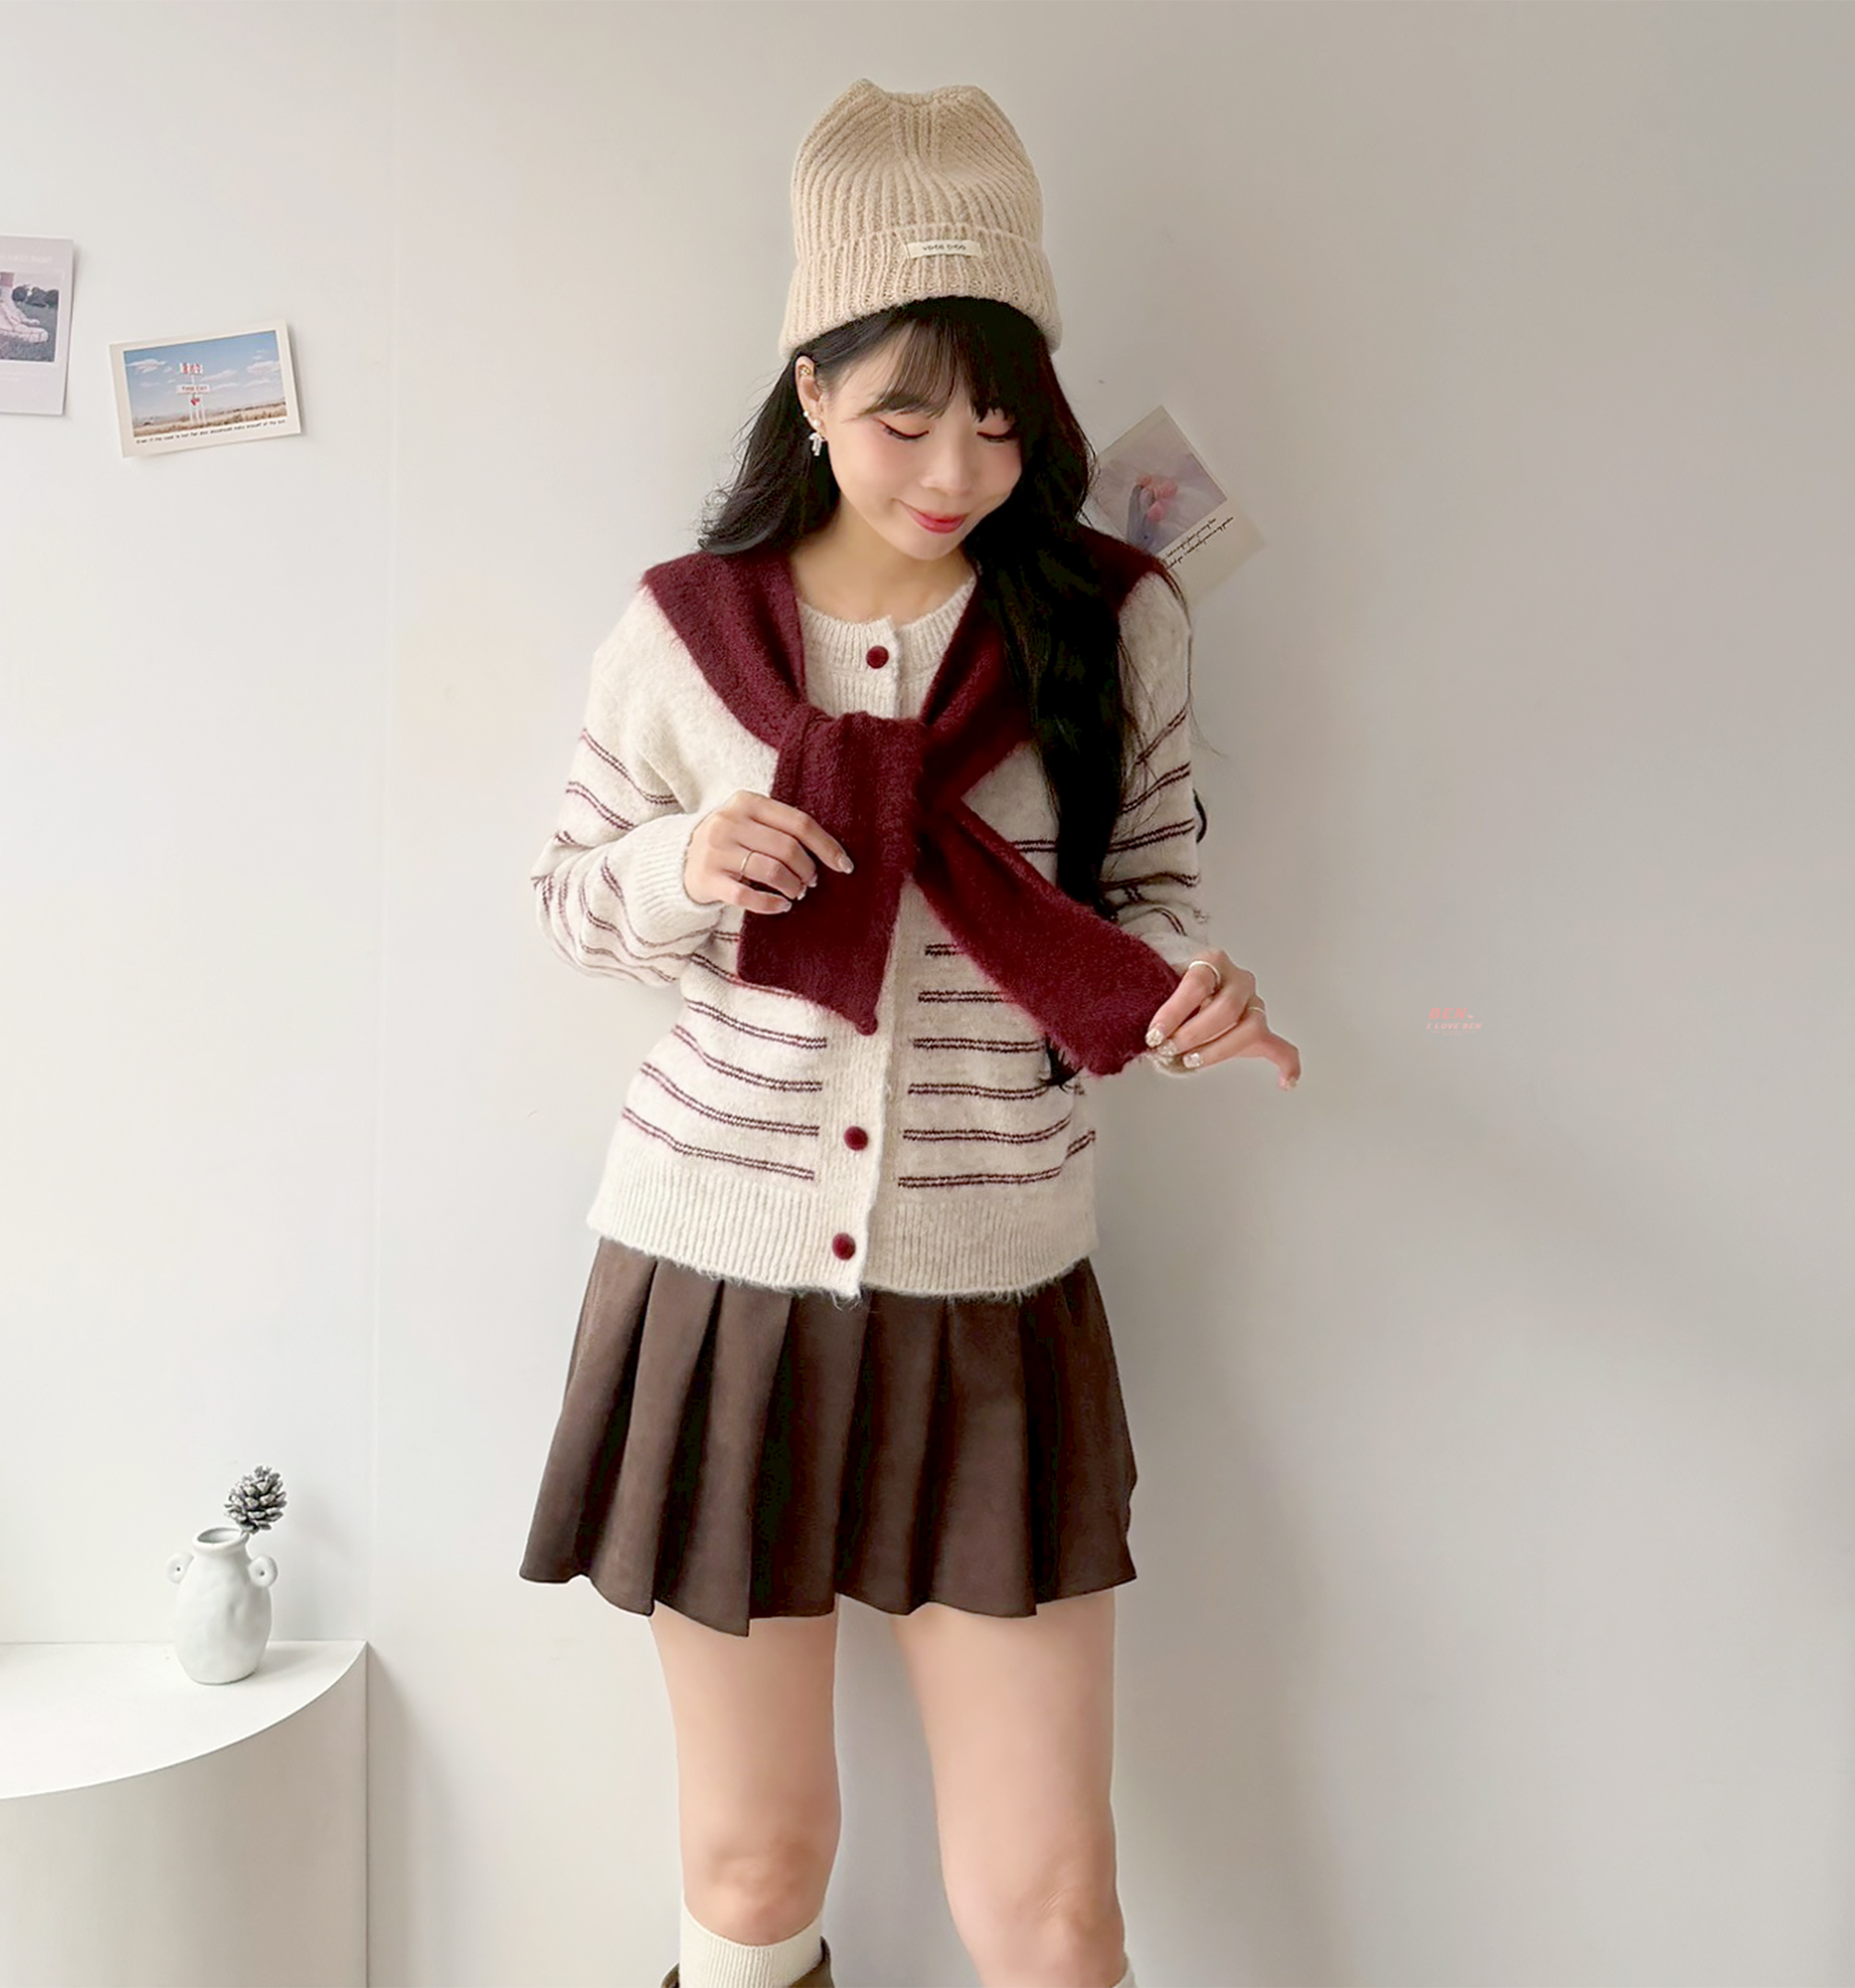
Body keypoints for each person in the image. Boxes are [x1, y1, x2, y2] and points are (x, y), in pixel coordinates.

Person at [518, 78, 1302, 1988]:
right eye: (904, 413)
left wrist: (1189, 991)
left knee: (1052, 1908)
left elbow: (1152, 898)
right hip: (721, 1285)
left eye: (1003, 414)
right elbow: (569, 900)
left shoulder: (1110, 623)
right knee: (754, 1859)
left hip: (992, 1296)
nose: (960, 463)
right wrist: (691, 860)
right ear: (810, 390)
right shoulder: (687, 630)